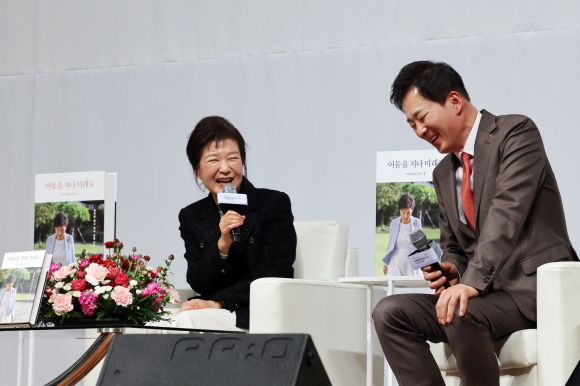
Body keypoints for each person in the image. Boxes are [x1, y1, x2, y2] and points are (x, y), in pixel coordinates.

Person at [372, 61, 578, 386]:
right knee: (389, 312)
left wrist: (471, 281)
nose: (419, 131)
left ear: (454, 101)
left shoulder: (515, 133)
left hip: (531, 290)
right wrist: (453, 268)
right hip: (485, 296)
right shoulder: (442, 173)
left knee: (459, 309)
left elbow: (506, 215)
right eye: (411, 124)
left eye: (422, 118)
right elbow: (454, 245)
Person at [176, 116, 297, 331]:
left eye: (233, 158)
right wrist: (222, 245)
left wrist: (219, 302)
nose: (225, 168)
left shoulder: (273, 203)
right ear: (197, 170)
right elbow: (198, 281)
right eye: (213, 160)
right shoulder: (192, 216)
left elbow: (273, 270)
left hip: (255, 312)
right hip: (213, 309)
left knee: (188, 321)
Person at [382, 193, 422, 276]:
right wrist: (386, 264)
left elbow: (420, 245)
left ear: (412, 210)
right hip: (396, 261)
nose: (405, 216)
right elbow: (391, 243)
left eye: (408, 212)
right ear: (399, 210)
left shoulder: (416, 222)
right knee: (394, 286)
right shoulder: (394, 223)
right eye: (403, 212)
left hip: (411, 262)